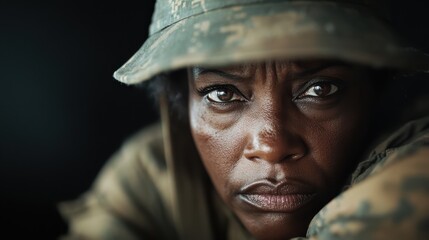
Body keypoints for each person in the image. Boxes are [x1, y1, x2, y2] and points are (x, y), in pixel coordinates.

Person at [58, 0, 429, 239]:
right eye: (223, 94)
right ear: (179, 102)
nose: (271, 145)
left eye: (320, 89)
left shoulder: (415, 159)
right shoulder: (151, 179)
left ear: (374, 91)